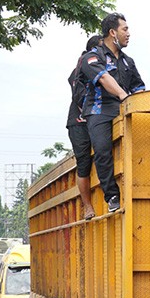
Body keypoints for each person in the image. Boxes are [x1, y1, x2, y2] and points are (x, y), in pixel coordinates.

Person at [80, 13, 145, 213]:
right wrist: (124, 96)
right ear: (112, 32)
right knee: (102, 149)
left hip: (123, 106)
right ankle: (112, 195)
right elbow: (105, 79)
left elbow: (139, 86)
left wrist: (138, 101)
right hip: (99, 110)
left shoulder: (128, 61)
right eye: (125, 29)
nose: (129, 34)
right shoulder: (92, 57)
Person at [68, 35, 101, 220]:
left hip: (98, 119)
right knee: (84, 164)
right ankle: (87, 206)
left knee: (103, 155)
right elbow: (79, 95)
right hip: (79, 122)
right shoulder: (81, 68)